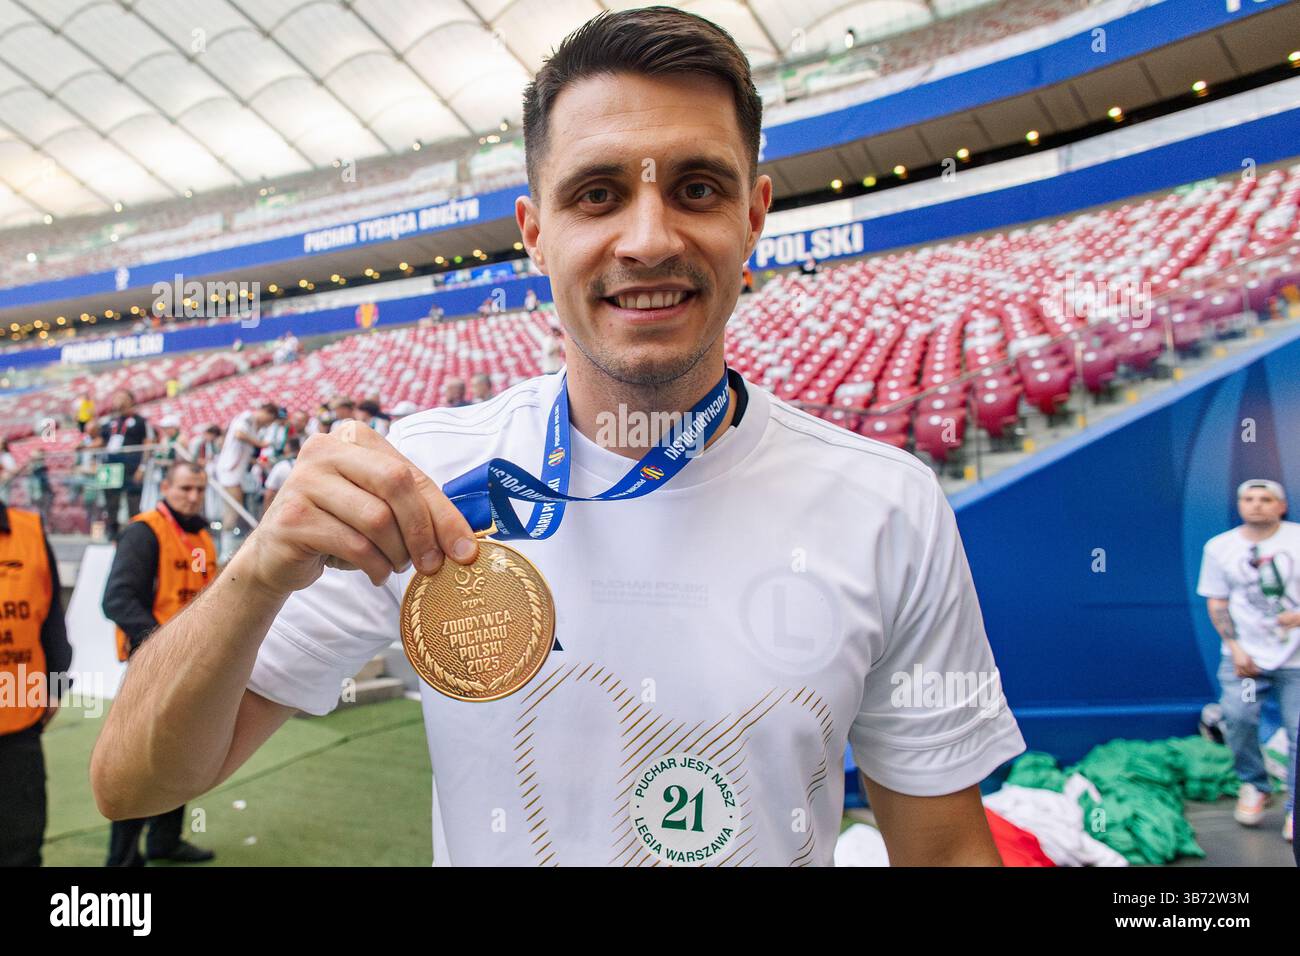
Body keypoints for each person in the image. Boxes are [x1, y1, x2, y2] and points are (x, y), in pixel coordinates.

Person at [91, 7, 1023, 867]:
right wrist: (257, 572)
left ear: (755, 216)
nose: (649, 238)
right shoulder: (424, 479)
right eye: (597, 194)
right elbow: (135, 779)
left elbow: (943, 850)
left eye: (697, 188)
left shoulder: (888, 504)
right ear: (535, 234)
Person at [101, 460, 217, 866]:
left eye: (200, 489)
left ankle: (165, 841)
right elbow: (116, 601)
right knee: (137, 765)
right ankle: (123, 858)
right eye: (185, 488)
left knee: (181, 758)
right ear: (164, 487)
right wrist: (163, 643)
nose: (193, 496)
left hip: (192, 666)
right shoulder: (143, 532)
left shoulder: (202, 535)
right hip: (151, 665)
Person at [1197, 478, 1300, 842]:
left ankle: (1296, 811)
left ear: (1281, 505)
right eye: (1249, 498)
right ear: (1240, 506)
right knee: (1237, 718)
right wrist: (1237, 648)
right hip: (1244, 659)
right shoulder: (1219, 548)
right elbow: (1217, 602)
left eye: (1265, 498)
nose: (1257, 504)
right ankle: (1255, 784)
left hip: (1297, 662)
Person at [0, 503, 70, 866]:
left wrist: (56, 684)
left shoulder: (29, 531)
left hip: (19, 720)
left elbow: (52, 620)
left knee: (21, 838)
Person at [214, 403, 277, 542]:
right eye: (270, 420)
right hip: (229, 470)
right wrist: (260, 444)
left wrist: (256, 462)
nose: (268, 424)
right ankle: (227, 545)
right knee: (233, 509)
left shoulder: (253, 425)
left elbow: (243, 451)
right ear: (266, 413)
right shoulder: (248, 417)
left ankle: (229, 543)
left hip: (235, 471)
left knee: (234, 509)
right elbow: (239, 434)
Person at [98, 389, 149, 539]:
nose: (118, 400)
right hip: (110, 467)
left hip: (131, 466)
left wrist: (142, 467)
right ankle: (112, 535)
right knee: (111, 503)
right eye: (116, 397)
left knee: (133, 502)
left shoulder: (140, 421)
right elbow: (100, 441)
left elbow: (148, 445)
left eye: (122, 397)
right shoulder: (109, 422)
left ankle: (136, 534)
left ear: (131, 400)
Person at [262, 437, 299, 513]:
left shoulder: (280, 466)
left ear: (287, 449)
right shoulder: (303, 466)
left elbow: (268, 494)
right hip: (299, 509)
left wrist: (266, 515)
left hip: (282, 510)